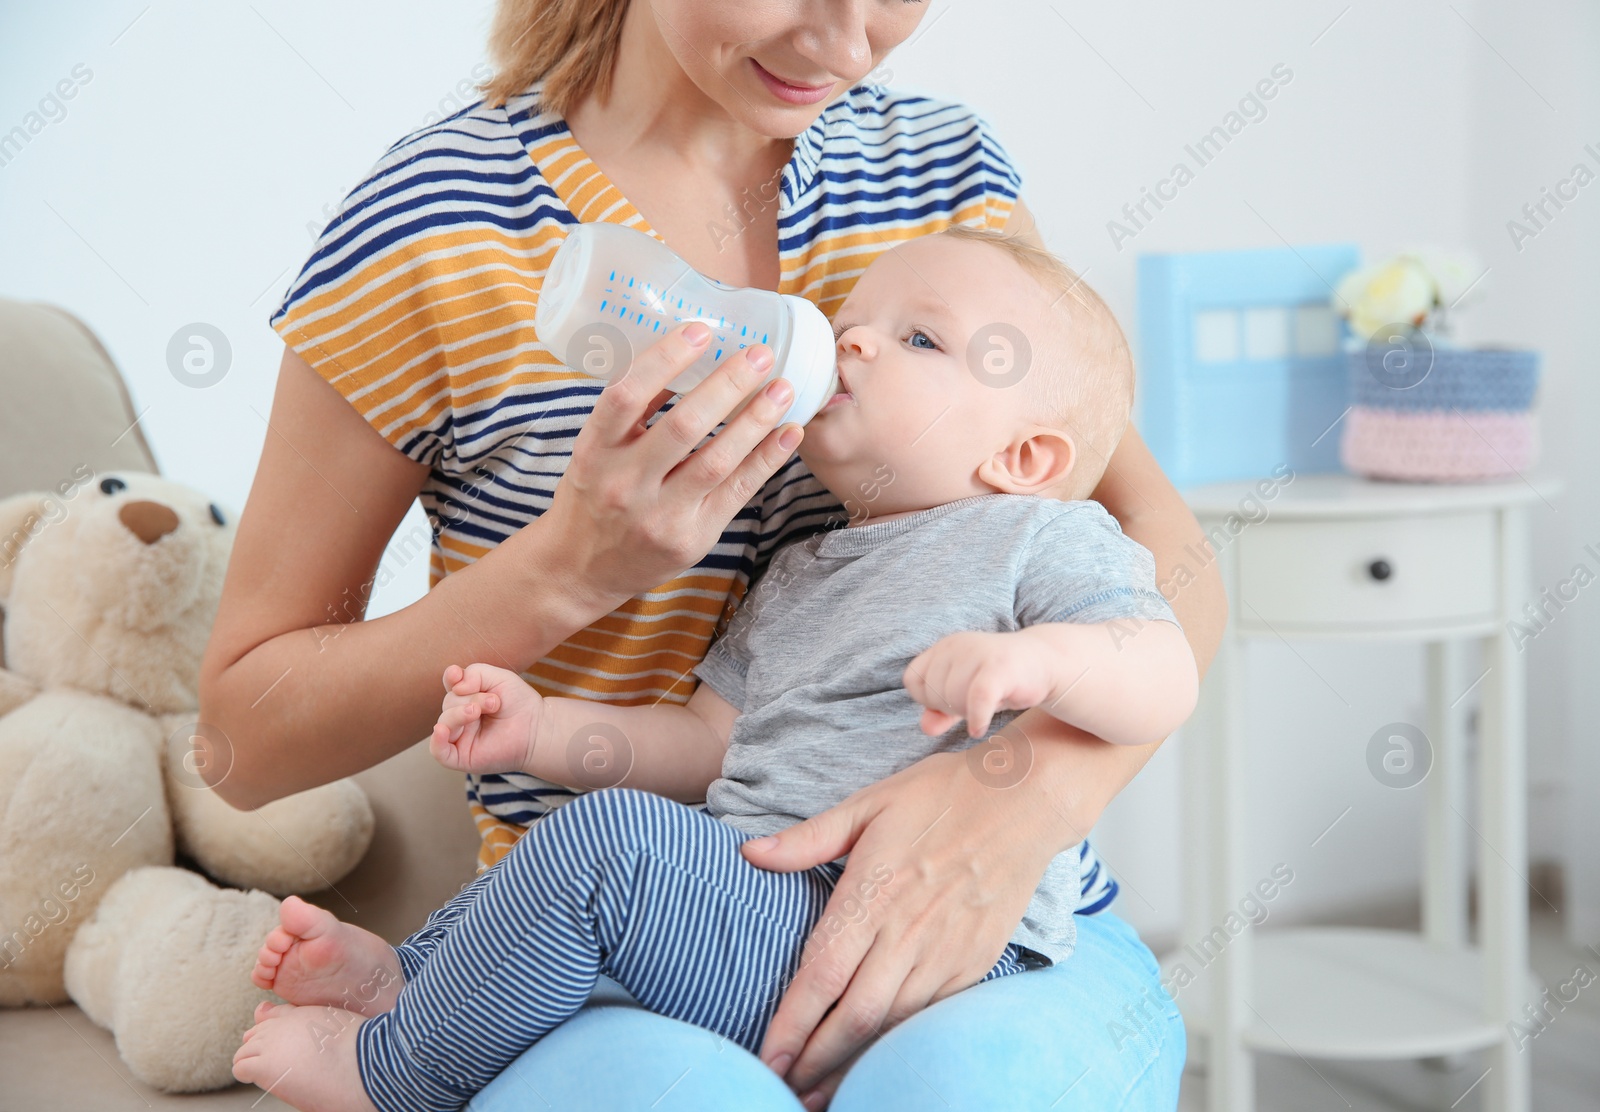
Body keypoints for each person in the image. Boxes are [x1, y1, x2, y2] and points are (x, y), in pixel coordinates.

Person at [200, 2, 1224, 1107]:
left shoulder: (941, 179)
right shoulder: (439, 226)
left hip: (994, 917)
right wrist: (566, 573)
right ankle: (413, 1019)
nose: (845, 45)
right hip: (609, 952)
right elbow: (237, 744)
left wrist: (1017, 801)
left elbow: (1165, 568)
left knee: (957, 1081)